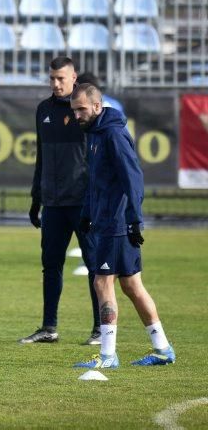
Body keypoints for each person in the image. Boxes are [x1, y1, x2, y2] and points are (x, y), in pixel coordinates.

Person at [71, 84, 175, 368]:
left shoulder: (113, 134)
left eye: (82, 109)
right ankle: (163, 348)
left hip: (116, 224)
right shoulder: (94, 134)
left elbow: (133, 178)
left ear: (96, 106)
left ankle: (107, 356)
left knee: (102, 282)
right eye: (74, 110)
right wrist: (86, 212)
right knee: (131, 285)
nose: (77, 115)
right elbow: (97, 182)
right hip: (107, 220)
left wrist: (134, 219)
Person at [22, 56, 101, 346]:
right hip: (53, 203)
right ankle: (49, 327)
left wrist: (96, 199)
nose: (56, 84)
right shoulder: (43, 109)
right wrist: (36, 197)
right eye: (52, 78)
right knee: (51, 265)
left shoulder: (87, 110)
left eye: (61, 79)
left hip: (83, 202)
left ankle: (100, 329)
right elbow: (41, 156)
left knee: (96, 266)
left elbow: (97, 158)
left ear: (74, 78)